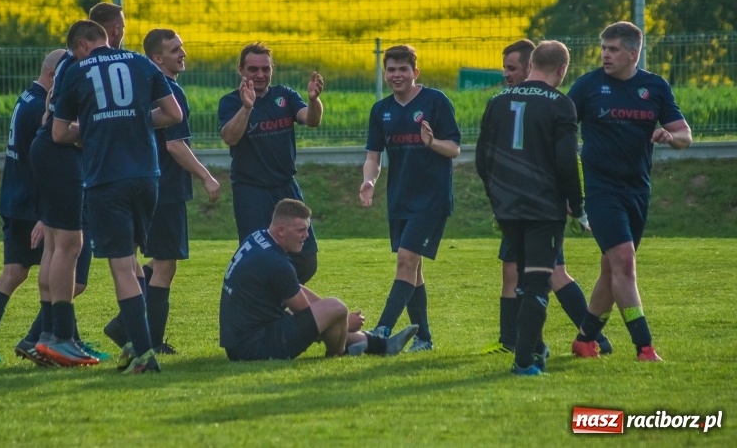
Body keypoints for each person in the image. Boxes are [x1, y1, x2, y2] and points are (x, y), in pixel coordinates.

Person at [53, 19, 182, 374]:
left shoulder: (76, 73)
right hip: (147, 177)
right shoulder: (141, 62)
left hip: (106, 179)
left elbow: (59, 132)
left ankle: (143, 355)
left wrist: (95, 127)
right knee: (135, 259)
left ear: (80, 46)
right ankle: (135, 345)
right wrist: (136, 120)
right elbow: (174, 113)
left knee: (122, 266)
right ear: (107, 38)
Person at [568, 21, 692, 362]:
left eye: (613, 49)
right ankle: (644, 346)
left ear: (633, 53)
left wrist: (670, 137)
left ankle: (584, 340)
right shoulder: (589, 86)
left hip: (638, 190)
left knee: (612, 271)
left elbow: (684, 135)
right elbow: (558, 127)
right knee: (624, 262)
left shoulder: (654, 87)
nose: (605, 55)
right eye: (603, 48)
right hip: (601, 190)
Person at [481, 39, 612, 356]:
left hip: (518, 206)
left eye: (511, 68)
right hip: (540, 206)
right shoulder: (557, 103)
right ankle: (520, 345)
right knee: (528, 274)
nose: (506, 74)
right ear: (561, 68)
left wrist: (497, 198)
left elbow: (484, 158)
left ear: (531, 66)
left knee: (539, 275)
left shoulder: (501, 102)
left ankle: (535, 347)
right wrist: (575, 203)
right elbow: (567, 158)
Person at [104, 29, 222, 353]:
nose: (182, 53)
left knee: (158, 261)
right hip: (166, 187)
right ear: (157, 58)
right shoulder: (169, 92)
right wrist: (206, 176)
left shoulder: (144, 89)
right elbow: (175, 146)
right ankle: (150, 341)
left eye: (182, 47)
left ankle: (122, 326)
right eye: (175, 50)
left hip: (146, 184)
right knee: (166, 264)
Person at [25, 2, 128, 368]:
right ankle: (61, 338)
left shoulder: (67, 64)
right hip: (61, 153)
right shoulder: (85, 65)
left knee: (56, 244)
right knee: (70, 244)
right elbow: (66, 125)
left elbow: (49, 114)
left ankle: (49, 337)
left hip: (48, 150)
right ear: (108, 32)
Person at [219, 199, 419, 361]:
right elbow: (307, 316)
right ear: (281, 230)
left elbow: (295, 290)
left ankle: (380, 345)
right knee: (336, 308)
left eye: (307, 229)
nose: (306, 236)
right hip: (255, 347)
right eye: (300, 230)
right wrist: (343, 322)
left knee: (327, 310)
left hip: (242, 340)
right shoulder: (276, 262)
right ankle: (341, 352)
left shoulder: (258, 237)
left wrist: (332, 318)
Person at [359, 45, 461, 352]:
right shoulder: (381, 110)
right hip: (399, 198)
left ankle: (382, 329)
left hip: (431, 198)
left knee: (406, 260)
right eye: (391, 69)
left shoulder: (435, 101)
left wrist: (431, 143)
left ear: (415, 72)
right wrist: (368, 180)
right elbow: (373, 156)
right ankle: (425, 338)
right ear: (385, 73)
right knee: (413, 269)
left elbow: (454, 148)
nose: (396, 75)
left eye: (403, 69)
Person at [0, 49, 65, 363]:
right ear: (53, 76)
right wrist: (44, 213)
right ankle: (44, 340)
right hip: (30, 205)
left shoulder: (26, 97)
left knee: (14, 273)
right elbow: (43, 163)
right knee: (66, 276)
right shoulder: (40, 108)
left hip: (13, 198)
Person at [217, 42, 324, 285]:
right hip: (251, 190)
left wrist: (314, 100)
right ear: (240, 70)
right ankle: (264, 308)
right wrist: (247, 107)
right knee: (258, 256)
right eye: (253, 69)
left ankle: (279, 302)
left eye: (265, 69)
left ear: (272, 69)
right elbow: (230, 137)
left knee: (306, 259)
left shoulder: (284, 95)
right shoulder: (231, 102)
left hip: (285, 187)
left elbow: (310, 119)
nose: (260, 75)